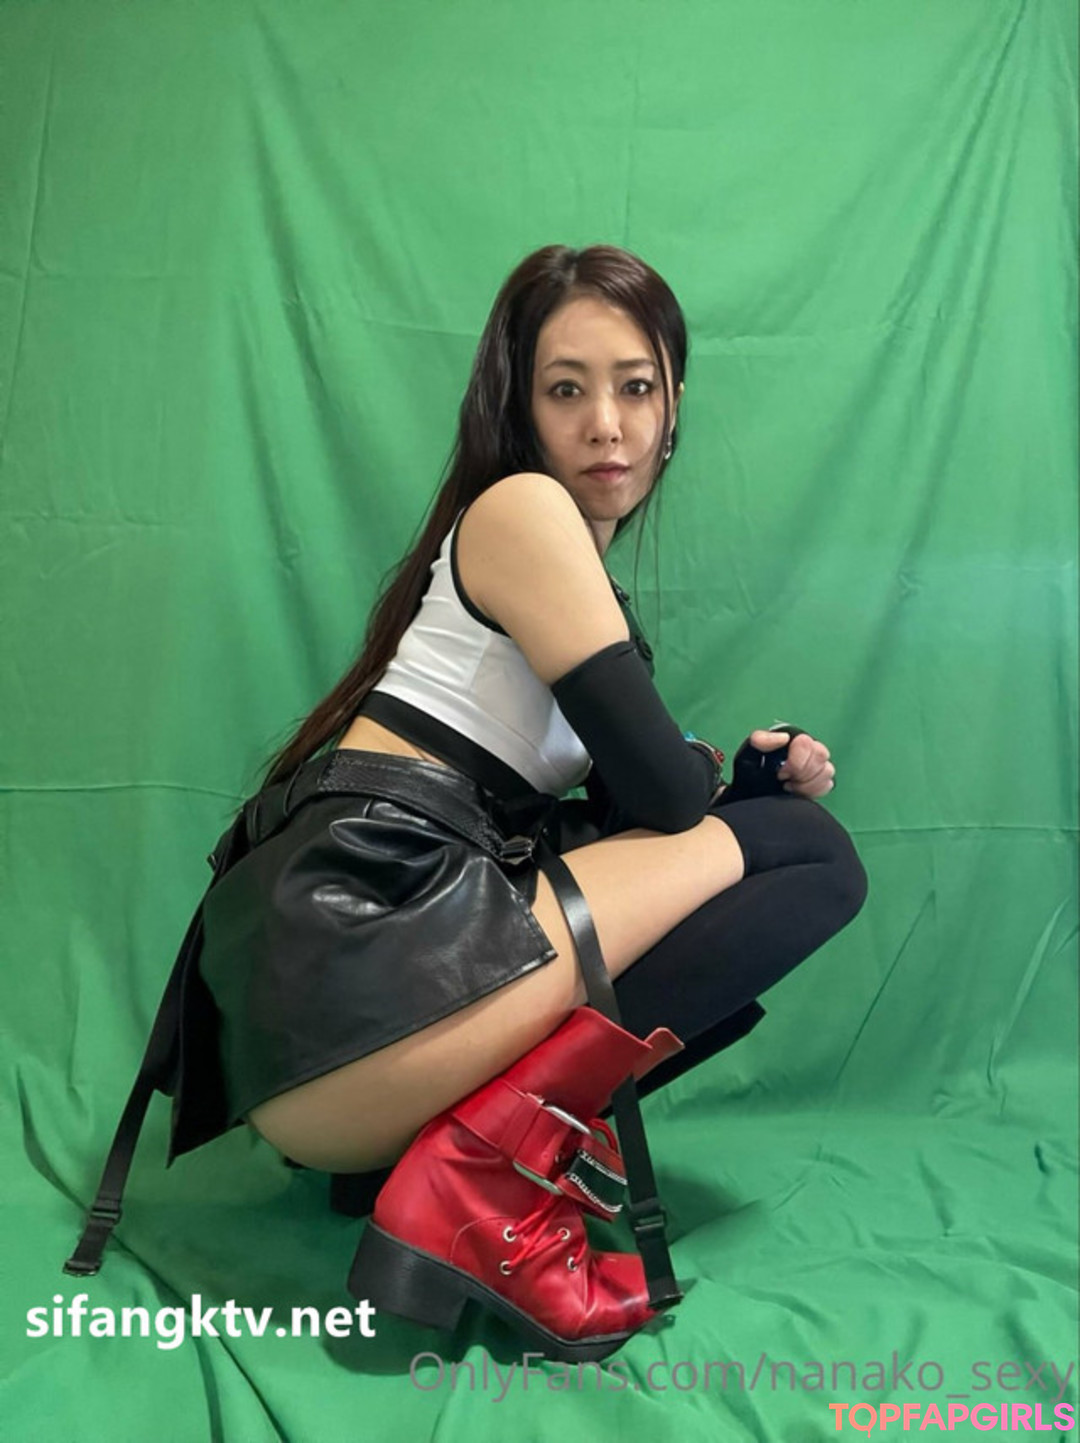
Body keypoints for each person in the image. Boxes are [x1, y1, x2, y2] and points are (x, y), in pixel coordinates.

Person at [67, 244, 867, 1364]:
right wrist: (727, 793)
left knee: (757, 841)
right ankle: (475, 1182)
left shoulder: (561, 573)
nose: (607, 425)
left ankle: (432, 1165)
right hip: (365, 988)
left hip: (339, 1062)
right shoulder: (524, 512)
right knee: (809, 854)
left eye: (636, 387)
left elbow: (643, 818)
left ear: (674, 404)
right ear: (519, 409)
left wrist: (731, 784)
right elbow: (661, 795)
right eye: (566, 389)